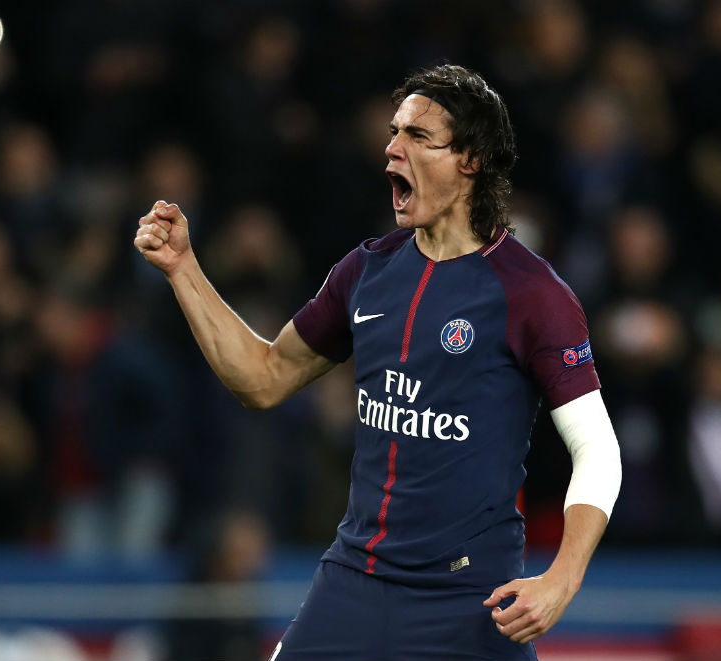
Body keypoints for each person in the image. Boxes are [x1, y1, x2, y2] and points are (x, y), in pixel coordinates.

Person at [134, 64, 622, 661]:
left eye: (417, 137)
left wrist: (561, 579)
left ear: (471, 158)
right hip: (353, 583)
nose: (391, 149)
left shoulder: (533, 295)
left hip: (468, 597)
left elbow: (597, 449)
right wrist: (185, 270)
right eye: (394, 133)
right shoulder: (366, 271)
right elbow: (262, 379)